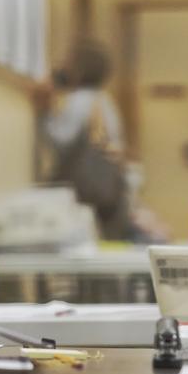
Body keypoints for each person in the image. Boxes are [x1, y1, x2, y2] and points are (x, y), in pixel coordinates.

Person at [32, 37, 132, 240]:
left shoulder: (79, 100)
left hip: (84, 191)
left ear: (78, 69)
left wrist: (43, 113)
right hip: (109, 190)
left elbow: (61, 139)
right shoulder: (104, 100)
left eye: (66, 62)